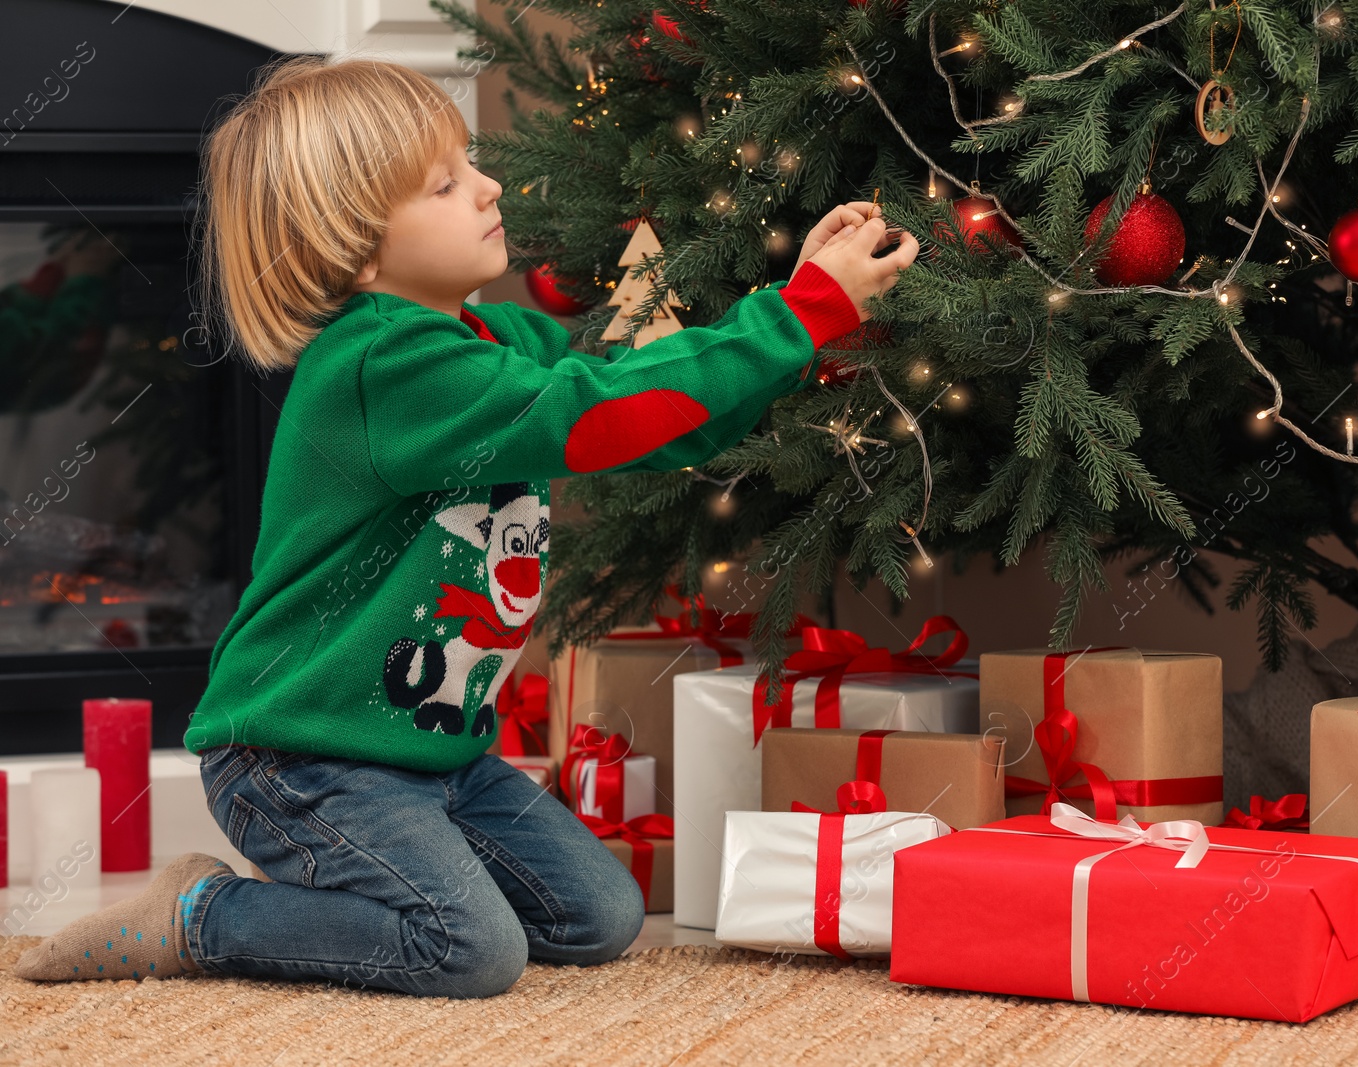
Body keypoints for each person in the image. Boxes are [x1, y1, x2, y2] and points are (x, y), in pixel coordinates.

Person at [12, 54, 916, 997]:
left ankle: (381, 882)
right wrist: (802, 312)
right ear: (358, 249)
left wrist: (813, 308)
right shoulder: (383, 367)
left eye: (468, 165)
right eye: (445, 184)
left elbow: (641, 415)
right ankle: (203, 917)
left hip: (436, 756)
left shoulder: (499, 344)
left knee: (598, 918)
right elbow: (594, 410)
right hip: (301, 756)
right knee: (470, 951)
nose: (487, 187)